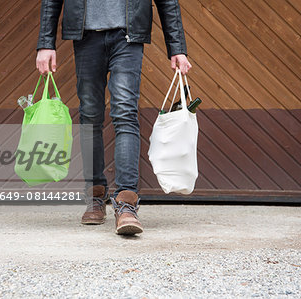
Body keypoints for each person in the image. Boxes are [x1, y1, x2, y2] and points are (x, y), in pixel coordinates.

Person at [36, 0, 192, 235]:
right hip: (86, 36)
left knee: (126, 113)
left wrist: (177, 47)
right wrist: (46, 43)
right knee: (90, 116)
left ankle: (127, 203)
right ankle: (95, 197)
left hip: (128, 37)